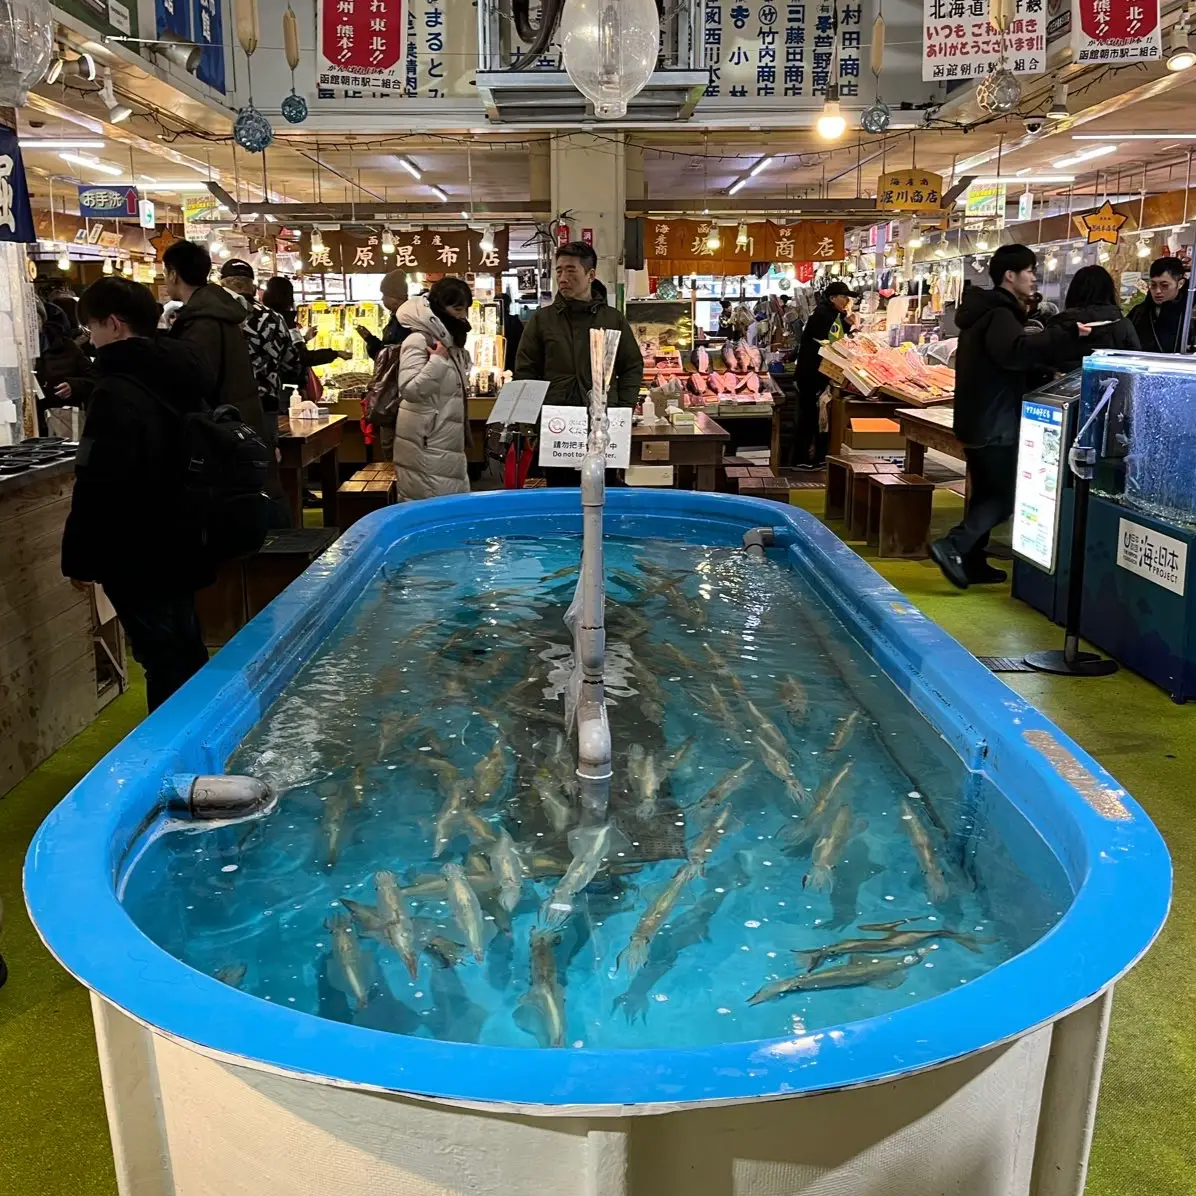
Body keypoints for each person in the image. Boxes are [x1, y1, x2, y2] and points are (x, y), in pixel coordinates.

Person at [61, 277, 215, 711]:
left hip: (136, 546)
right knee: (184, 647)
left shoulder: (116, 390)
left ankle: (170, 761)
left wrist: (78, 556)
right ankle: (202, 742)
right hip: (185, 531)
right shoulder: (179, 373)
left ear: (114, 324)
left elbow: (99, 481)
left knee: (161, 658)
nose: (90, 338)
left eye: (92, 327)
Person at [929, 244, 1089, 590]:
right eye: (1029, 271)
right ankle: (954, 545)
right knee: (1004, 496)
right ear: (1010, 275)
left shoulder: (984, 313)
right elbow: (1014, 354)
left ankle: (973, 560)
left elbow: (1002, 360)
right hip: (995, 420)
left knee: (987, 491)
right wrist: (1066, 335)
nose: (1034, 278)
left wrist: (1042, 370)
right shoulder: (1000, 314)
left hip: (978, 415)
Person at [513, 241, 643, 408]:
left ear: (591, 275)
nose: (563, 278)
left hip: (603, 415)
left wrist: (623, 408)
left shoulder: (612, 319)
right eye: (559, 271)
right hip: (555, 418)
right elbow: (525, 371)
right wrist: (533, 419)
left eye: (571, 270)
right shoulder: (542, 320)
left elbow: (631, 367)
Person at [163, 240, 266, 439]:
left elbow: (198, 382)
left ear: (174, 274)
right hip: (237, 427)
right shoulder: (218, 311)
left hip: (220, 433)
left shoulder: (202, 321)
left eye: (166, 273)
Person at [392, 277, 473, 501]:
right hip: (426, 443)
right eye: (457, 308)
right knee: (432, 506)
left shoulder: (448, 342)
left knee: (448, 506)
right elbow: (409, 389)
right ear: (439, 307)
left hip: (444, 441)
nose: (462, 315)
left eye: (465, 309)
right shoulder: (419, 340)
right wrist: (437, 362)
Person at [220, 259, 302, 420]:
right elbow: (292, 365)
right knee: (264, 445)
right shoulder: (274, 318)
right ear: (252, 286)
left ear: (222, 286)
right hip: (266, 404)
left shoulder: (217, 316)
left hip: (225, 408)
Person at [793, 281, 855, 469]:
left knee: (817, 417)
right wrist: (846, 324)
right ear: (832, 298)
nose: (847, 301)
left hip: (815, 373)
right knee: (810, 417)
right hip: (812, 374)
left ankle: (815, 457)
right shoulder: (823, 314)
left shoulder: (829, 313)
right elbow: (829, 342)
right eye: (844, 297)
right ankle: (803, 459)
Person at [1047, 265, 1139, 372]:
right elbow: (1134, 363)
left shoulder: (1060, 323)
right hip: (1111, 385)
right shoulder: (1123, 324)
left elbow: (1045, 361)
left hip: (1063, 386)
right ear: (1109, 291)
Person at [1128, 256, 1194, 353]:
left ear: (1180, 284)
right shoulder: (1138, 312)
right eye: (1153, 285)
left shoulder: (1190, 314)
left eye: (1164, 285)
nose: (1157, 291)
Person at [358, 269, 414, 359]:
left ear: (395, 298)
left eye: (384, 295)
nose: (382, 299)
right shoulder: (397, 318)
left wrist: (371, 342)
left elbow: (393, 356)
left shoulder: (406, 320)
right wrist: (370, 339)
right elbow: (385, 352)